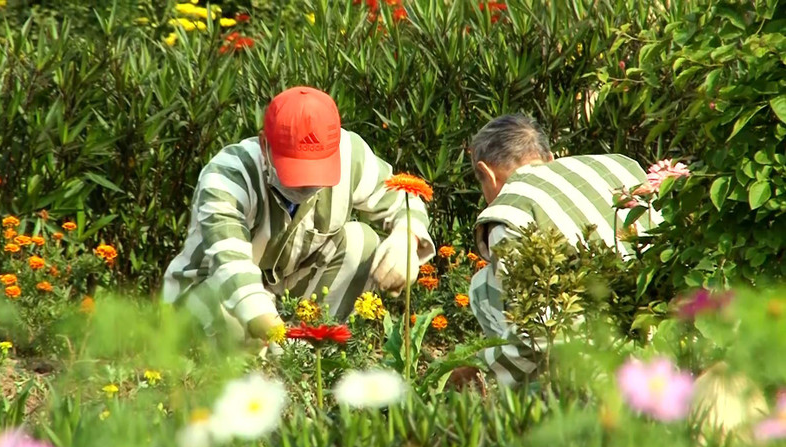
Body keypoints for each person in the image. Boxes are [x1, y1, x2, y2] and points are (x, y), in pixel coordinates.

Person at [162, 86, 436, 345]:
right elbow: (231, 266)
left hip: (283, 291)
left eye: (316, 172)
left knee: (361, 242)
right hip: (210, 294)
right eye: (295, 172)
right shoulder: (227, 177)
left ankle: (314, 359)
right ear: (264, 146)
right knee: (238, 319)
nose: (305, 186)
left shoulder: (348, 154)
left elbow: (404, 198)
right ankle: (267, 364)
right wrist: (277, 336)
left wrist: (407, 238)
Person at [457, 113, 662, 388]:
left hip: (604, 364)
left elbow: (539, 334)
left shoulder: (509, 211)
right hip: (671, 327)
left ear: (487, 173)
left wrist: (482, 368)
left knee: (483, 286)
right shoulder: (619, 165)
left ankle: (535, 403)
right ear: (550, 157)